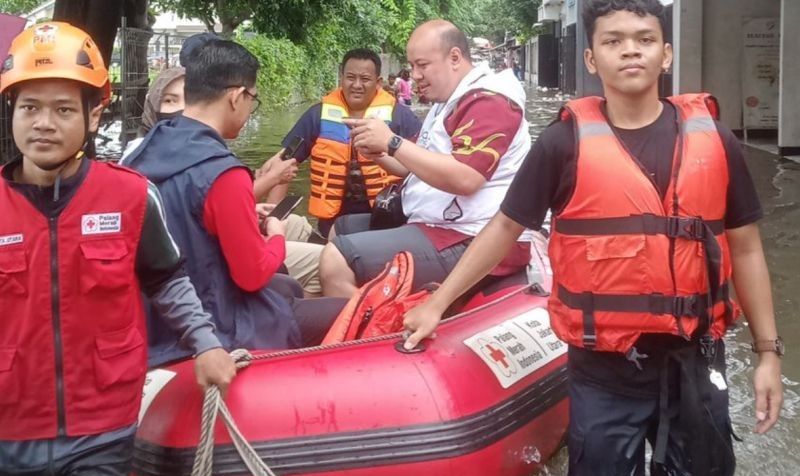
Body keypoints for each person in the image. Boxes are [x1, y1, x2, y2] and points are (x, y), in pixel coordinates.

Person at [403, 1, 784, 476]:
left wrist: (768, 353)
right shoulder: (563, 143)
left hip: (695, 357)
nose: (631, 49)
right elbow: (504, 228)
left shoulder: (716, 141)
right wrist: (438, 304)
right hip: (603, 367)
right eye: (613, 40)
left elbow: (745, 247)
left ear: (667, 54)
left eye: (645, 39)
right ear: (590, 57)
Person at [0, 22, 236, 476]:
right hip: (8, 427)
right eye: (29, 107)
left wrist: (206, 344)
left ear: (94, 113)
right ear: (12, 113)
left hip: (100, 426)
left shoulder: (130, 196)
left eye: (63, 109)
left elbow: (167, 280)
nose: (43, 123)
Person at [124, 39, 345, 365]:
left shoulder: (145, 150)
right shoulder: (222, 173)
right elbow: (251, 275)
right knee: (347, 309)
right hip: (215, 324)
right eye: (251, 100)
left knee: (287, 289)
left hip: (156, 320)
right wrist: (278, 236)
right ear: (236, 96)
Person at [319, 20, 533, 299]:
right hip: (439, 223)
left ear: (454, 57)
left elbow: (467, 178)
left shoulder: (489, 101)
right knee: (341, 227)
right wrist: (378, 152)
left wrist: (392, 142)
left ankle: (378, 333)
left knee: (336, 261)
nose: (415, 75)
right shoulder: (447, 101)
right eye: (412, 66)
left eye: (422, 65)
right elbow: (413, 165)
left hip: (472, 236)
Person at [118, 66, 324, 298]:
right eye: (170, 100)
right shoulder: (144, 161)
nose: (183, 110)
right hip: (211, 289)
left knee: (296, 226)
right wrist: (275, 231)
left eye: (187, 99)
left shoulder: (160, 152)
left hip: (199, 274)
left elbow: (196, 205)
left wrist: (252, 207)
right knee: (325, 263)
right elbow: (251, 273)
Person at [279, 48, 422, 237]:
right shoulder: (317, 115)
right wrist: (275, 214)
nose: (357, 85)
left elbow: (425, 167)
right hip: (332, 220)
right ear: (341, 77)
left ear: (378, 82)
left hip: (387, 218)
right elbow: (284, 163)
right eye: (350, 77)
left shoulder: (401, 117)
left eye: (365, 79)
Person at [120, 66, 185, 161]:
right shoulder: (135, 156)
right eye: (169, 100)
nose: (182, 108)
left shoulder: (210, 152)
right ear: (152, 103)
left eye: (190, 100)